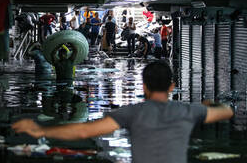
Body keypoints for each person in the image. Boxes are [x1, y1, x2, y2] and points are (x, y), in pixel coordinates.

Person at [12, 61, 234, 163]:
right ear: (171, 87)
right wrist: (209, 104)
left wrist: (40, 129)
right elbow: (227, 112)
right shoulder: (189, 111)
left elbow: (83, 132)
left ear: (144, 86)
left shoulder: (132, 113)